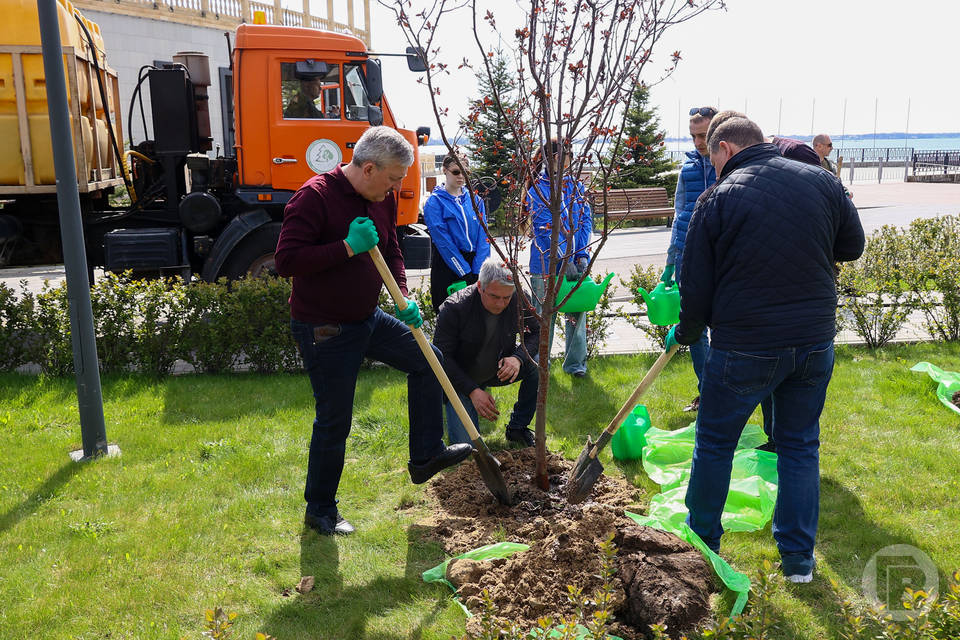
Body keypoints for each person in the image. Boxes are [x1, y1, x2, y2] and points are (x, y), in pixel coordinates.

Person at [665, 115, 864, 583]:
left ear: (727, 150)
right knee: (799, 446)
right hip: (813, 342)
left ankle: (703, 545)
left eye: (711, 158)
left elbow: (696, 284)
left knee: (715, 444)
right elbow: (852, 247)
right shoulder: (821, 179)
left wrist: (689, 330)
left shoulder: (717, 198)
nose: (710, 168)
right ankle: (799, 562)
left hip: (744, 347)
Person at [275, 126, 473, 536]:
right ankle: (321, 510)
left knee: (429, 362)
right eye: (394, 178)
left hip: (367, 317)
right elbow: (287, 260)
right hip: (324, 327)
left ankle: (425, 455)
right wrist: (346, 246)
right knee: (335, 419)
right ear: (368, 168)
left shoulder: (378, 199)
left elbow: (392, 250)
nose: (397, 187)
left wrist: (402, 296)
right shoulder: (315, 198)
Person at [433, 258, 540, 447]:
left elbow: (538, 333)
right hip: (460, 378)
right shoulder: (454, 308)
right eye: (494, 296)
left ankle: (518, 427)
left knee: (537, 364)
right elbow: (442, 358)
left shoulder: (518, 297)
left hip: (497, 369)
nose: (500, 304)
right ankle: (459, 401)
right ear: (480, 286)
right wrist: (472, 391)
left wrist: (518, 358)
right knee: (467, 448)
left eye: (506, 298)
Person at [661, 106, 717, 411]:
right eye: (693, 135)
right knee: (696, 331)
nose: (698, 142)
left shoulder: (731, 167)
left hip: (720, 260)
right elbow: (679, 216)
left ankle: (723, 392)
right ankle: (706, 391)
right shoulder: (689, 170)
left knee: (722, 327)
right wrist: (671, 262)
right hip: (688, 258)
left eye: (704, 135)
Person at [526, 140, 592, 378]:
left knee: (577, 313)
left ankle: (576, 365)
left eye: (572, 153)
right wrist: (565, 260)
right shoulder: (538, 190)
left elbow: (585, 222)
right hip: (546, 265)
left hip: (576, 261)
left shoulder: (576, 188)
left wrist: (581, 255)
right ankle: (541, 366)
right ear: (552, 157)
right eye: (567, 154)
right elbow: (545, 231)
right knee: (546, 317)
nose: (571, 158)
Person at [423, 153, 490, 312]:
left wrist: (478, 269)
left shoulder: (475, 200)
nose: (461, 176)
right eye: (456, 172)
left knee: (476, 318)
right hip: (448, 265)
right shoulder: (435, 202)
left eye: (465, 172)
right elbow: (443, 242)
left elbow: (484, 237)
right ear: (445, 170)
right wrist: (465, 272)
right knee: (450, 320)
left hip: (474, 264)